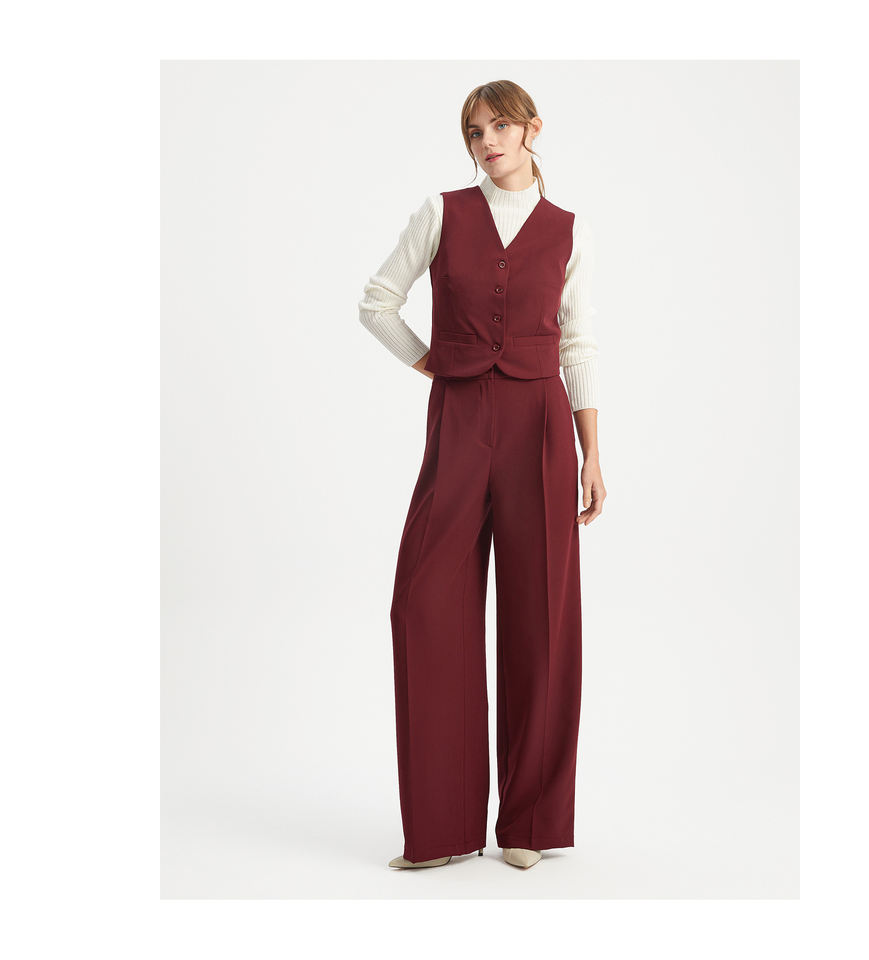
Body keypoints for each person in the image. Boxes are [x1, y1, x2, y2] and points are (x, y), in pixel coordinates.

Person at [358, 80, 607, 871]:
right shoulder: (441, 213)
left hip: (541, 426)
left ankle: (531, 823)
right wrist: (432, 362)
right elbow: (377, 302)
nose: (487, 141)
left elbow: (578, 342)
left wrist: (592, 452)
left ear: (533, 129)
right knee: (424, 604)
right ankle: (441, 828)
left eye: (500, 125)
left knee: (543, 616)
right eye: (474, 130)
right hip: (460, 422)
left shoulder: (568, 229)